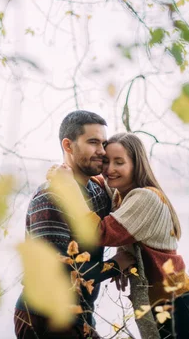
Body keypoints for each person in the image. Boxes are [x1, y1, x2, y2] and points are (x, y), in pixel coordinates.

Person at [52, 132, 189, 339]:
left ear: (136, 165)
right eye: (106, 161)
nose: (110, 169)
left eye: (119, 162)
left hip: (174, 303)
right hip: (161, 302)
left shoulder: (145, 197)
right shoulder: (121, 194)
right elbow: (94, 179)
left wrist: (69, 187)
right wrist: (71, 171)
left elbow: (99, 233)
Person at [14, 111, 135, 339]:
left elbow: (118, 223)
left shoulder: (98, 193)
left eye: (104, 143)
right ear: (68, 146)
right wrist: (115, 266)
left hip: (81, 313)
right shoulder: (50, 198)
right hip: (44, 317)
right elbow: (57, 273)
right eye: (93, 142)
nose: (102, 150)